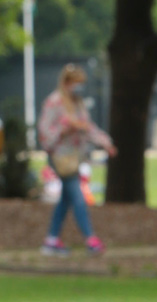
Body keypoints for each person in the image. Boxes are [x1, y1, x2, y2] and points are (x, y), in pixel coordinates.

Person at [38, 63, 117, 257]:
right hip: (60, 157)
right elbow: (45, 132)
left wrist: (105, 142)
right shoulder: (54, 102)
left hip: (75, 156)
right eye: (76, 83)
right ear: (66, 82)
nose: (79, 87)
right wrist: (63, 130)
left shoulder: (78, 103)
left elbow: (88, 127)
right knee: (78, 196)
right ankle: (91, 239)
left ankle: (51, 240)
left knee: (65, 200)